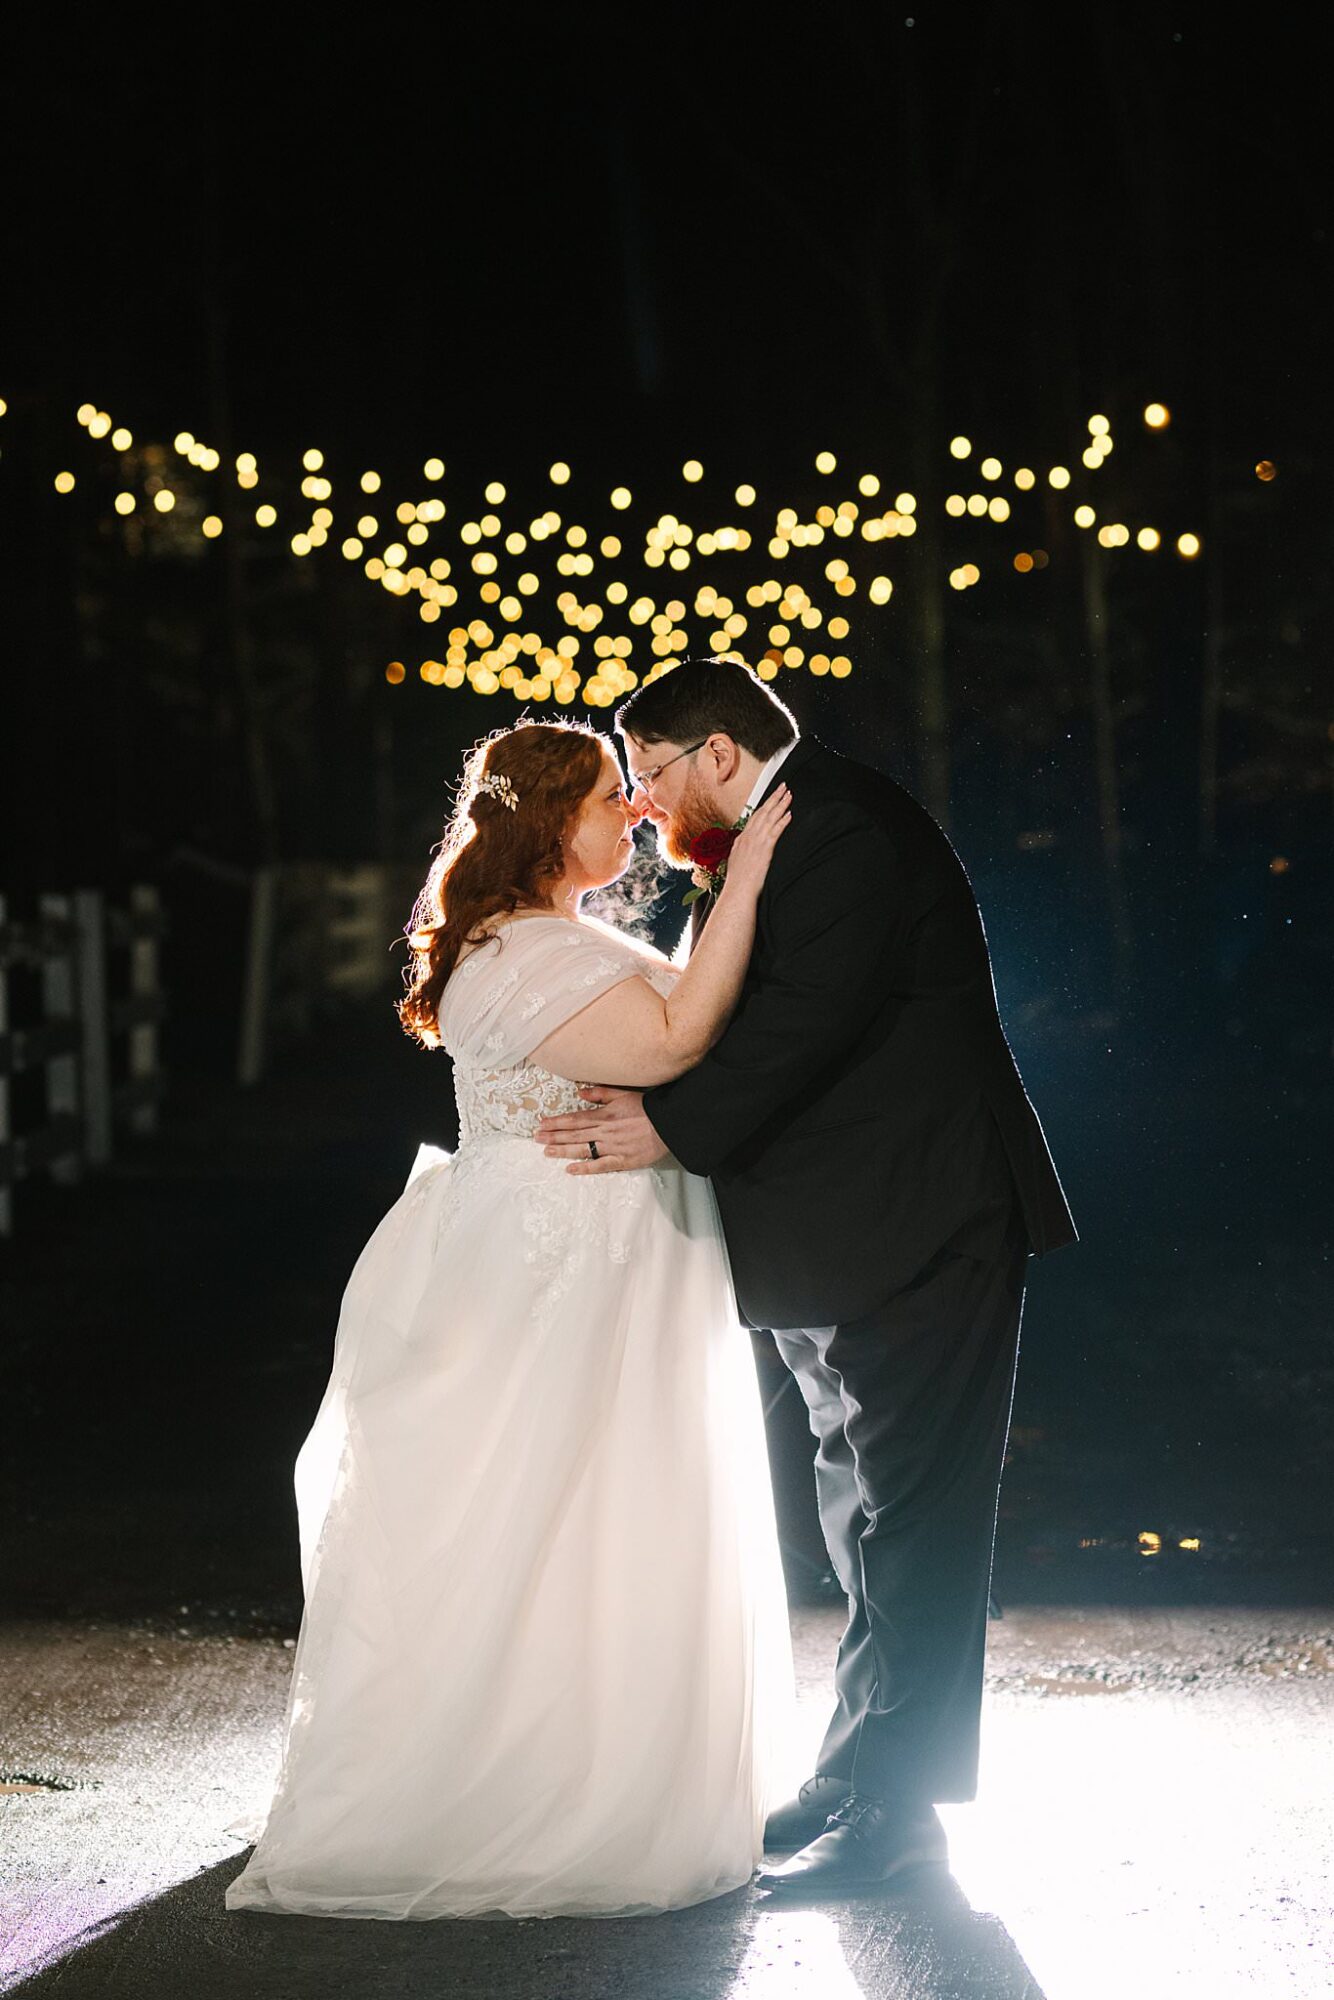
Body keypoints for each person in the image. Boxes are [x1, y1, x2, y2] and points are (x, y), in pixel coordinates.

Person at [224, 720, 797, 1920]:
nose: (629, 813)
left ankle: (612, 1760)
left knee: (611, 1510)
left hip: (612, 1246)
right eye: (606, 796)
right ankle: (525, 1791)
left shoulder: (553, 934)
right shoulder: (518, 952)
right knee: (555, 1509)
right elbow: (677, 1035)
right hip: (561, 1259)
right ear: (546, 822)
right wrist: (742, 880)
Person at [534, 658, 1078, 1896]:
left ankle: (899, 1813)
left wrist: (666, 1126)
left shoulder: (843, 830)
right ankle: (855, 1770)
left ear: (718, 753)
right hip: (843, 1230)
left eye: (652, 774)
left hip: (920, 1218)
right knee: (861, 1508)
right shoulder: (779, 831)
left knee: (917, 1519)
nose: (643, 803)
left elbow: (799, 1021)